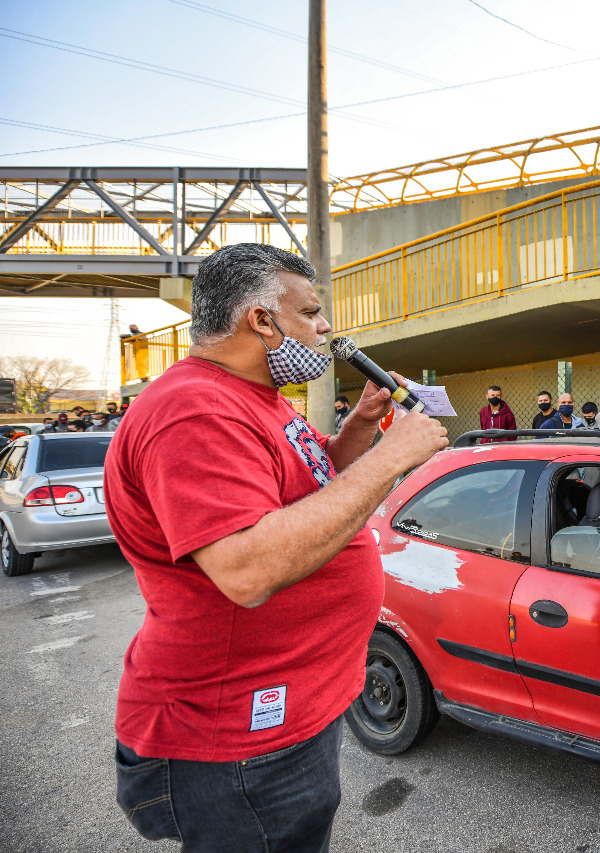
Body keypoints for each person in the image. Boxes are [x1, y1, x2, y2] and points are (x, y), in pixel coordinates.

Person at [103, 243, 450, 851]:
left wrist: (361, 428)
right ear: (261, 321)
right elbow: (247, 567)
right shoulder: (193, 410)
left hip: (290, 711)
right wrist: (394, 459)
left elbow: (312, 484)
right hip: (237, 735)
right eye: (312, 313)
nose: (324, 330)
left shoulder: (256, 399)